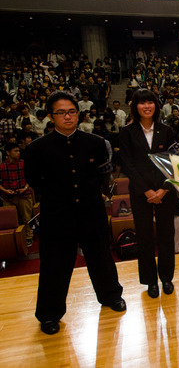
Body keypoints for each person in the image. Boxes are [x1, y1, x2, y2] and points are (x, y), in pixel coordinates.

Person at [24, 91, 125, 335]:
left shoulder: (95, 142)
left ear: (78, 114)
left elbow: (103, 174)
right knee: (54, 263)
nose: (67, 117)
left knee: (100, 255)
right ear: (51, 116)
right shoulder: (37, 148)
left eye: (71, 112)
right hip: (57, 212)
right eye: (61, 113)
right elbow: (34, 180)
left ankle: (111, 296)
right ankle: (49, 314)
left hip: (91, 209)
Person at [119, 89, 178, 299]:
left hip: (165, 191)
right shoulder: (127, 132)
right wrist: (147, 190)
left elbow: (173, 162)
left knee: (166, 235)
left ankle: (167, 278)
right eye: (141, 103)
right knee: (144, 238)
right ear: (135, 106)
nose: (146, 106)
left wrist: (163, 190)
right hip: (140, 192)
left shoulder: (166, 130)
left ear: (156, 105)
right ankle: (150, 281)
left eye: (150, 102)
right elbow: (127, 164)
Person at [0, 143, 34, 246]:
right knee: (12, 220)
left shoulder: (24, 164)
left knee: (26, 218)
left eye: (19, 151)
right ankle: (16, 240)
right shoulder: (2, 166)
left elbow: (31, 178)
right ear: (8, 153)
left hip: (23, 194)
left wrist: (25, 188)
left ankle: (28, 237)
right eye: (15, 151)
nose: (18, 153)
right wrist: (5, 190)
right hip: (8, 197)